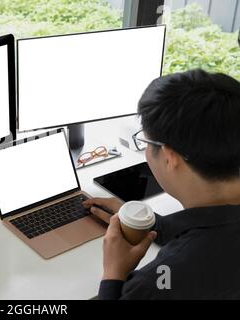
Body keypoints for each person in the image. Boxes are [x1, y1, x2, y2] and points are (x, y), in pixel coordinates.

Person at [83, 69, 240, 299]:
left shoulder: (157, 282)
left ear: (170, 157)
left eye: (144, 141)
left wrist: (113, 273)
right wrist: (153, 225)